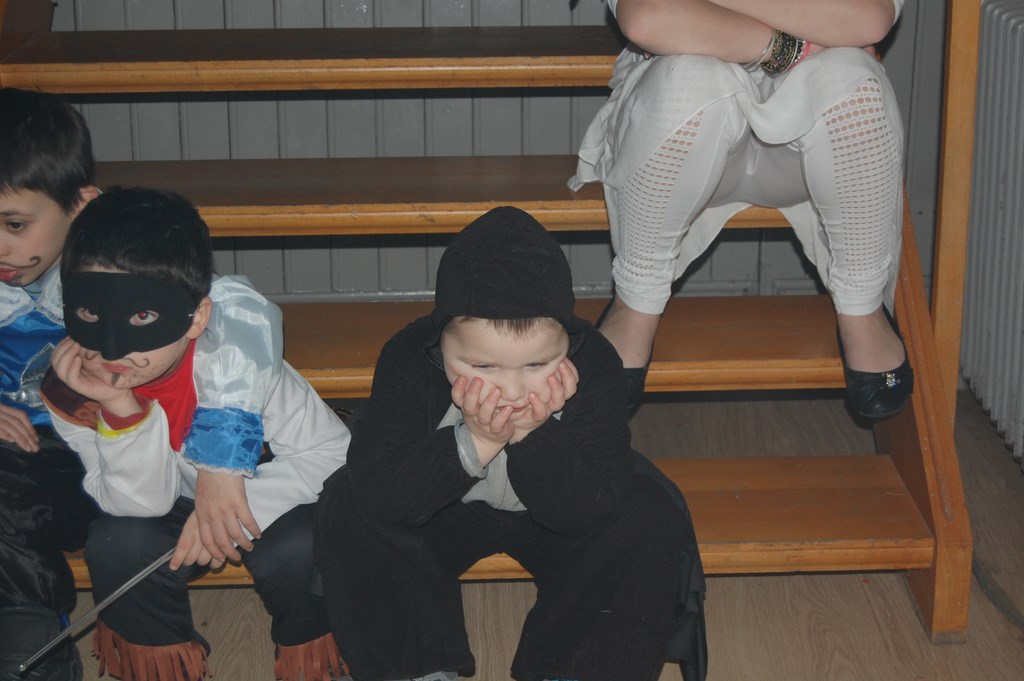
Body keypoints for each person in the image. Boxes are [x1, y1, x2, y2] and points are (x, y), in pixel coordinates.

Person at [316, 206, 706, 681]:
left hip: (554, 515)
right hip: (442, 512)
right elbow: (383, 493)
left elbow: (588, 510)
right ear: (440, 344)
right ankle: (418, 670)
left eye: (538, 365)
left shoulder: (595, 362)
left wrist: (534, 434)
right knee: (349, 500)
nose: (514, 390)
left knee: (644, 511)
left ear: (568, 343)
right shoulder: (408, 359)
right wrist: (474, 442)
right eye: (482, 367)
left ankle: (575, 670)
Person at [40, 187, 351, 681]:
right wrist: (120, 411)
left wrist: (226, 512)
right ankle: (164, 668)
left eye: (143, 317)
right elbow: (139, 505)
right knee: (117, 545)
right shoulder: (74, 388)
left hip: (266, 492)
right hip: (164, 506)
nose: (112, 349)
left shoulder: (248, 370)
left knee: (302, 546)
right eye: (90, 316)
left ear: (197, 318)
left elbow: (332, 453)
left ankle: (311, 659)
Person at [570, 0, 914, 418]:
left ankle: (861, 305)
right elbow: (649, 18)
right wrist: (795, 48)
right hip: (685, 136)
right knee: (689, 77)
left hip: (808, 151)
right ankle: (637, 297)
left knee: (848, 78)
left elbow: (868, 18)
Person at [1, 86, 102, 681]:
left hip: (99, 465)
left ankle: (32, 646)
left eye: (15, 224)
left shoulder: (117, 272)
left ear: (79, 205)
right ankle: (25, 632)